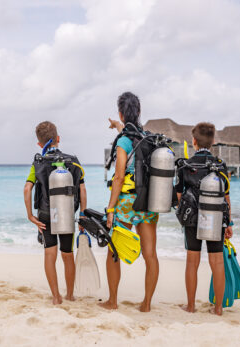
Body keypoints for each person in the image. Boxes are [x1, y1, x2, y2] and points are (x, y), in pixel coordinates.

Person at [101, 91, 160, 312]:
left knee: (114, 251)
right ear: (140, 112)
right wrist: (118, 125)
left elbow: (118, 177)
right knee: (150, 254)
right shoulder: (146, 138)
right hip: (147, 201)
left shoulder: (123, 142)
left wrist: (110, 208)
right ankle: (146, 304)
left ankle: (113, 301)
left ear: (120, 112)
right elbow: (128, 132)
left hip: (126, 202)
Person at [23, 121, 87, 305]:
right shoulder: (73, 161)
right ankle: (70, 295)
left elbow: (27, 189)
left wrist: (30, 216)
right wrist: (82, 214)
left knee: (50, 255)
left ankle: (56, 297)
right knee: (67, 254)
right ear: (58, 138)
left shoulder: (38, 163)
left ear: (39, 144)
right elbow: (82, 190)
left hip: (45, 216)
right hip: (66, 213)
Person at [175, 122, 234, 316]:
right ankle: (218, 309)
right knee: (217, 263)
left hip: (192, 218)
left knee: (192, 262)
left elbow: (178, 195)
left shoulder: (186, 165)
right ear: (213, 141)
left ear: (194, 141)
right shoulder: (220, 165)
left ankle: (191, 306)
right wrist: (229, 223)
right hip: (216, 216)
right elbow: (226, 197)